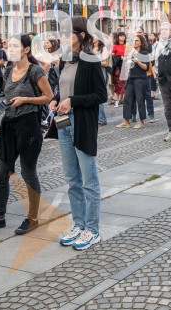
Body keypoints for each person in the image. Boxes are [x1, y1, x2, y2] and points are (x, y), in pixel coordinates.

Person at [0, 34, 53, 235]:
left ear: (26, 49)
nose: (9, 49)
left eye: (14, 46)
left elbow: (48, 97)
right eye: (8, 46)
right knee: (2, 172)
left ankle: (33, 218)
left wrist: (26, 99)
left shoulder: (35, 71)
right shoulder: (9, 70)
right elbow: (8, 96)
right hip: (9, 124)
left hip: (29, 125)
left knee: (28, 172)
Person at [53, 17, 108, 250]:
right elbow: (63, 89)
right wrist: (56, 100)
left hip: (82, 122)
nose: (64, 36)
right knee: (72, 179)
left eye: (69, 33)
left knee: (88, 180)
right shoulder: (64, 60)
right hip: (64, 122)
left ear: (81, 35)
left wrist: (72, 101)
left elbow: (101, 95)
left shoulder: (90, 60)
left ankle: (92, 229)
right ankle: (79, 223)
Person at [117, 34, 150, 129]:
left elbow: (146, 67)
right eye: (134, 41)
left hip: (140, 78)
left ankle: (141, 121)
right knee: (127, 99)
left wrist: (138, 62)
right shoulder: (132, 52)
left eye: (137, 41)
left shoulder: (144, 53)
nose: (134, 42)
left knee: (140, 99)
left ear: (141, 43)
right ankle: (126, 120)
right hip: (131, 77)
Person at [111, 32, 127, 107]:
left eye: (123, 36)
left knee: (125, 83)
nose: (122, 37)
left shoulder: (126, 46)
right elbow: (112, 56)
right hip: (118, 67)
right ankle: (116, 101)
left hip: (125, 66)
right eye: (121, 36)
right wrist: (119, 57)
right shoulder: (115, 46)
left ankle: (122, 99)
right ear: (118, 37)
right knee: (117, 84)